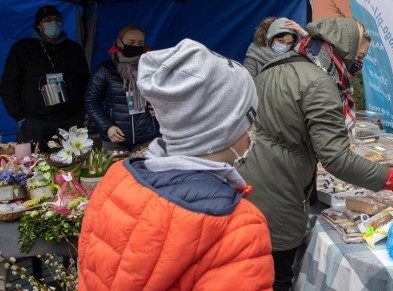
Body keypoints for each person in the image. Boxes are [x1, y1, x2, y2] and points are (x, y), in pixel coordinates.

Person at [238, 17, 393, 290]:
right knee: (278, 277)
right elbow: (336, 158)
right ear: (345, 48)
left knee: (254, 271)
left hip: (254, 179)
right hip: (278, 190)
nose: (358, 64)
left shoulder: (278, 64)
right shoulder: (319, 81)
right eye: (358, 56)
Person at [78, 39, 273, 291]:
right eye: (250, 117)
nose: (253, 128)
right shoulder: (237, 225)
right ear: (222, 128)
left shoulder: (116, 179)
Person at [0, 5, 89, 152]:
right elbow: (9, 85)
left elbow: (85, 81)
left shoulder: (73, 49)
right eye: (48, 20)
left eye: (57, 20)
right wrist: (20, 117)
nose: (53, 23)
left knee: (73, 163)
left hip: (71, 119)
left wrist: (83, 111)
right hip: (35, 121)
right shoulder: (22, 48)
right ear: (39, 25)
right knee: (39, 166)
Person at [85, 24, 159, 153]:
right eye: (131, 42)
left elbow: (163, 94)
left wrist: (160, 108)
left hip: (146, 138)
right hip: (115, 139)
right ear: (120, 42)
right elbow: (91, 101)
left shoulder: (151, 68)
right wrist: (107, 127)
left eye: (140, 43)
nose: (136, 46)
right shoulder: (106, 69)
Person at [243, 17, 307, 78]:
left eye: (289, 43)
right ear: (270, 39)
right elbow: (248, 86)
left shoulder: (293, 57)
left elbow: (314, 58)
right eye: (281, 41)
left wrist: (305, 36)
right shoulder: (253, 59)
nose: (284, 46)